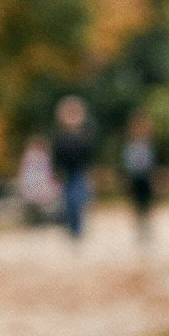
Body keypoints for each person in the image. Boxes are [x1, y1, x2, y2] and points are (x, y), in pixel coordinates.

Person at [47, 95, 98, 243]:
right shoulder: (60, 136)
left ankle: (77, 228)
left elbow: (89, 153)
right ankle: (73, 228)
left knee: (79, 198)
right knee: (69, 200)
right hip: (68, 173)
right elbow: (56, 156)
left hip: (81, 172)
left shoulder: (86, 133)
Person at [121, 110, 159, 245]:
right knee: (137, 204)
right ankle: (140, 228)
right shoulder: (130, 145)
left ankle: (147, 226)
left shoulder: (150, 144)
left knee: (148, 203)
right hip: (135, 178)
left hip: (147, 177)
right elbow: (126, 164)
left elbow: (155, 163)